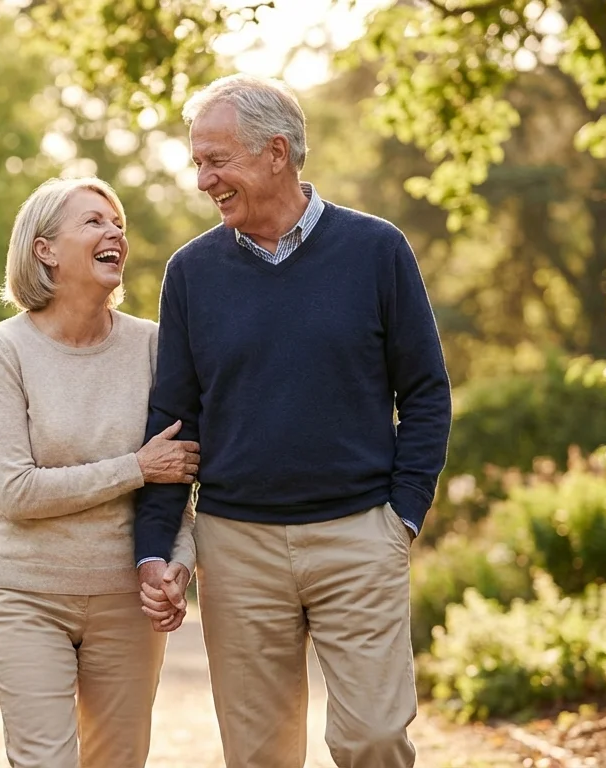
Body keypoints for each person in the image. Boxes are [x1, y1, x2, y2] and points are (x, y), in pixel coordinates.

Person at [134, 74, 452, 768]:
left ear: (275, 152)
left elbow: (426, 390)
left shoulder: (376, 250)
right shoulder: (191, 272)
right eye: (196, 162)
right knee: (260, 756)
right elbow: (173, 421)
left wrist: (401, 517)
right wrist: (156, 542)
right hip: (238, 545)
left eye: (215, 160)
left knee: (371, 737)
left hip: (358, 534)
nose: (202, 180)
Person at [0, 176, 199, 768]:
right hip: (26, 591)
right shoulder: (2, 349)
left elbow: (176, 475)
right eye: (94, 221)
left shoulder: (154, 345)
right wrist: (134, 467)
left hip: (127, 598)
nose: (115, 232)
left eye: (118, 222)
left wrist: (179, 564)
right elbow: (15, 491)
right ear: (44, 249)